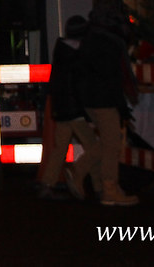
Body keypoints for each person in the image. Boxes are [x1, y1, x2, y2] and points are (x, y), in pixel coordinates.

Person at [77, 0, 140, 206]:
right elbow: (113, 77)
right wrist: (123, 106)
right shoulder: (111, 40)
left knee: (107, 142)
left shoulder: (90, 35)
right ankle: (107, 188)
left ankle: (106, 186)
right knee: (112, 144)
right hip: (104, 98)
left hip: (91, 97)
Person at [37, 15, 102, 201]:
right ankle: (97, 186)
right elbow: (81, 84)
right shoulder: (79, 54)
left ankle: (47, 183)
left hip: (62, 108)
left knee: (60, 148)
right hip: (76, 110)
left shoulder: (62, 50)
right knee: (94, 147)